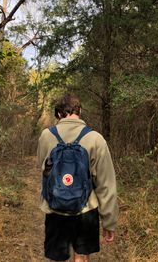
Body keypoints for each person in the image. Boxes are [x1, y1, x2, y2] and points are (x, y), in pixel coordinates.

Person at [37, 94, 119, 262]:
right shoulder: (95, 138)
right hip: (85, 210)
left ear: (58, 114)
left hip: (55, 209)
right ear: (79, 111)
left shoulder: (46, 135)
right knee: (81, 257)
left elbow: (43, 167)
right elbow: (106, 184)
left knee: (58, 257)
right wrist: (109, 221)